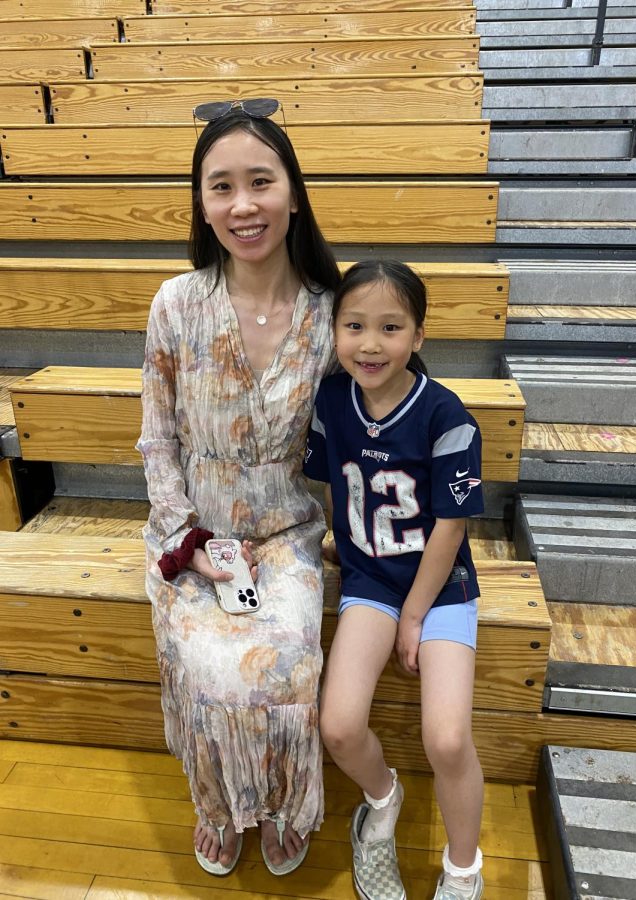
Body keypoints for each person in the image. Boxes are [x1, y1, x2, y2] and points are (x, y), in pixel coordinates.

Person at [136, 100, 340, 878]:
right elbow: (158, 437)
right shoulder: (176, 304)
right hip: (193, 532)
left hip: (288, 532)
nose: (242, 204)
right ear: (202, 202)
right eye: (220, 186)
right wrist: (188, 541)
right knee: (205, 668)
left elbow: (369, 431)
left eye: (261, 181)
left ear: (293, 192)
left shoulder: (332, 312)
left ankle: (284, 805)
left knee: (286, 663)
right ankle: (218, 808)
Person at [304, 260, 485, 900]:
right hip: (370, 583)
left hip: (439, 590)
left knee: (447, 735)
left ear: (418, 336)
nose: (370, 343)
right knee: (341, 726)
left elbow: (452, 529)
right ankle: (381, 802)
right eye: (354, 326)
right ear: (334, 331)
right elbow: (332, 488)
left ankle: (463, 868)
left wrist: (414, 615)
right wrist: (338, 546)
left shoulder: (446, 415)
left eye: (390, 327)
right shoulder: (330, 400)